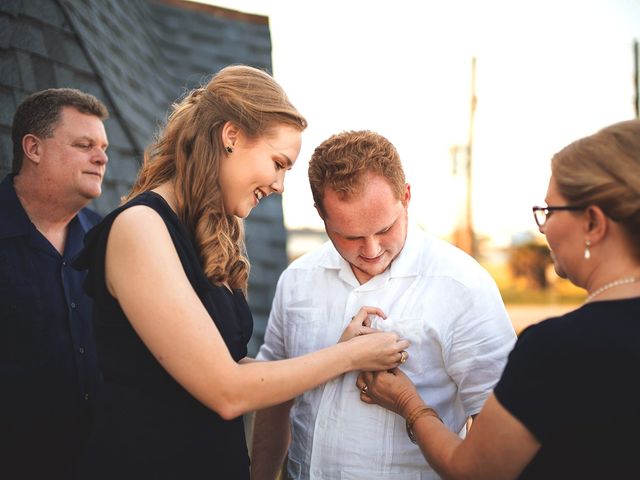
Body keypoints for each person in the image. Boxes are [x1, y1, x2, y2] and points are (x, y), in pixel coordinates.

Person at [73, 65, 408, 479]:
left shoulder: (209, 236)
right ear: (231, 136)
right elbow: (227, 391)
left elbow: (234, 369)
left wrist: (337, 351)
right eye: (278, 163)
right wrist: (348, 356)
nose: (281, 185)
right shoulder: (139, 228)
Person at [358, 119, 640, 479]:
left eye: (551, 211)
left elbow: (474, 471)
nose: (544, 226)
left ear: (593, 224)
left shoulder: (559, 349)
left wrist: (409, 403)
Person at [251, 130, 517, 480]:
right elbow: (274, 397)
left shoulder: (463, 285)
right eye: (351, 236)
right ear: (321, 214)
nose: (372, 250)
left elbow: (497, 433)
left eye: (385, 228)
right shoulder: (297, 279)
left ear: (406, 196)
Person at [0, 88, 109, 478]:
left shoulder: (107, 239)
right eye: (84, 145)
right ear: (33, 148)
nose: (101, 158)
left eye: (103, 147)